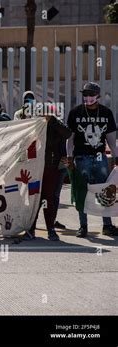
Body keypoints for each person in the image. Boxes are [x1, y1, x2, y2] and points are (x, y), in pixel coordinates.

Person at [66, 82, 118, 238]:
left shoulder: (106, 113)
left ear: (98, 96)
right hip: (81, 157)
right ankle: (83, 226)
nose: (87, 97)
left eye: (91, 94)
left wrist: (116, 157)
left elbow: (111, 139)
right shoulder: (75, 112)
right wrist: (69, 156)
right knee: (82, 191)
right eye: (85, 94)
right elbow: (70, 138)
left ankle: (107, 225)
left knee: (105, 189)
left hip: (100, 157)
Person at [24, 105, 72, 241]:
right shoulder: (32, 126)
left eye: (45, 114)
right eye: (39, 114)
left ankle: (50, 228)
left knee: (48, 199)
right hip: (34, 170)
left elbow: (68, 133)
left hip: (51, 169)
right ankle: (30, 229)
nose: (42, 117)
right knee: (33, 199)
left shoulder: (55, 125)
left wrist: (52, 121)